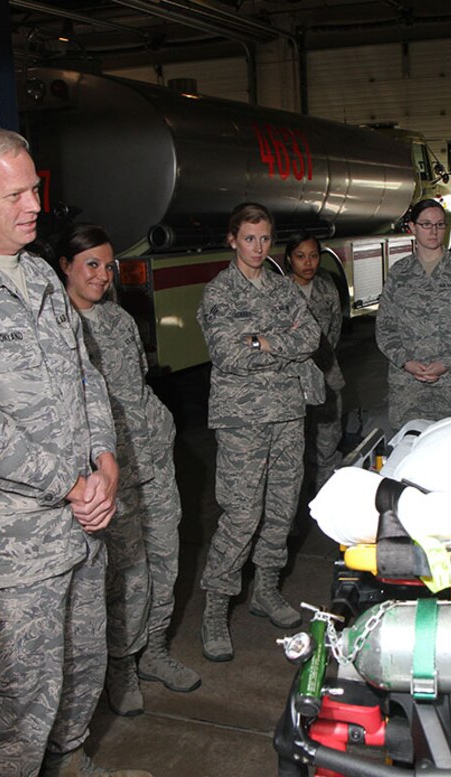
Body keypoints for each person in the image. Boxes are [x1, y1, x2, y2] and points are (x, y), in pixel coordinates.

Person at [0, 127, 150, 777]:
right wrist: (73, 485)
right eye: (14, 194)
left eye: (34, 190)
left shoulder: (42, 274)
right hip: (12, 553)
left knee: (81, 671)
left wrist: (105, 461)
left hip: (82, 528)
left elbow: (86, 376)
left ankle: (70, 763)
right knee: (19, 705)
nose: (34, 205)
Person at [56, 225, 200, 719]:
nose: (102, 275)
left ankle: (154, 650)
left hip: (153, 457)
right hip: (109, 472)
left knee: (166, 560)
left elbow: (139, 381)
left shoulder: (119, 320)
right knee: (127, 575)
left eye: (108, 265)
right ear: (65, 267)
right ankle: (122, 665)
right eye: (91, 265)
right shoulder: (55, 327)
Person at [196, 202, 321, 662]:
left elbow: (311, 336)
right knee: (241, 515)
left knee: (282, 508)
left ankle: (266, 589)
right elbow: (228, 355)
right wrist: (278, 344)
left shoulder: (283, 288)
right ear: (233, 240)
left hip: (287, 414)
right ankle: (215, 609)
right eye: (249, 238)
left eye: (265, 238)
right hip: (241, 421)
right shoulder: (219, 293)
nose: (258, 247)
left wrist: (261, 341)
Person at [376, 199, 451, 433]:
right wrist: (406, 361)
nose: (434, 231)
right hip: (408, 385)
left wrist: (447, 363)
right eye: (426, 224)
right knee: (410, 444)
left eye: (440, 225)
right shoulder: (399, 272)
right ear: (412, 227)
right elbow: (385, 326)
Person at [286, 231, 345, 494]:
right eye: (300, 256)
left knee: (327, 440)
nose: (308, 263)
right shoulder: (278, 292)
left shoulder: (326, 288)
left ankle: (325, 497)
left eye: (313, 256)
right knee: (292, 447)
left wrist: (321, 361)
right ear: (289, 259)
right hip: (290, 380)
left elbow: (335, 329)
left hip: (325, 374)